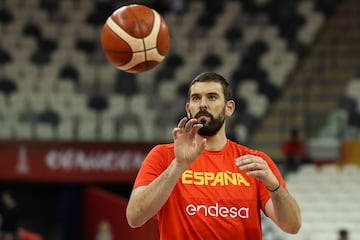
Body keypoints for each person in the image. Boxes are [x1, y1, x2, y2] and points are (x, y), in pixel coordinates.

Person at [126, 72, 301, 239]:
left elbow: (292, 226)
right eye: (196, 98)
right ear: (188, 109)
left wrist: (274, 186)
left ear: (229, 108)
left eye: (212, 97)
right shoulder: (164, 155)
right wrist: (178, 165)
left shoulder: (254, 162)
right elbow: (135, 217)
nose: (203, 104)